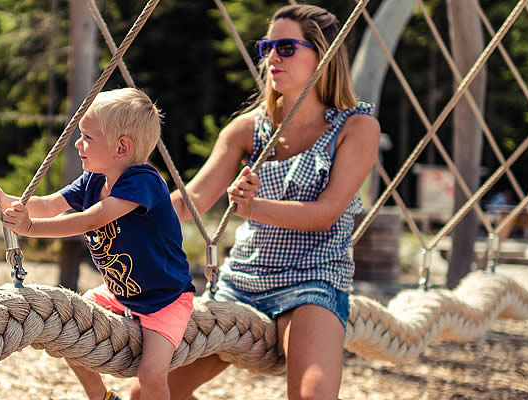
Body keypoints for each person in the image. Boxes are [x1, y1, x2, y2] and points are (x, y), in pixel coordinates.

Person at [132, 4, 380, 400]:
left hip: (312, 281)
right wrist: (123, 211)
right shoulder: (247, 129)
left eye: (285, 47)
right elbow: (193, 199)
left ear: (324, 54)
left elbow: (327, 213)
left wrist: (253, 208)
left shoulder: (355, 126)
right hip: (241, 283)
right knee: (145, 394)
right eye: (267, 47)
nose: (271, 58)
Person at [0, 88, 196, 400]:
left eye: (87, 137)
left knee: (151, 375)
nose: (78, 144)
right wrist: (5, 201)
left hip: (165, 299)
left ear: (121, 147)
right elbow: (50, 204)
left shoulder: (143, 183)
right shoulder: (93, 178)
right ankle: (100, 395)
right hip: (121, 292)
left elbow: (92, 220)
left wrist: (29, 228)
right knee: (71, 331)